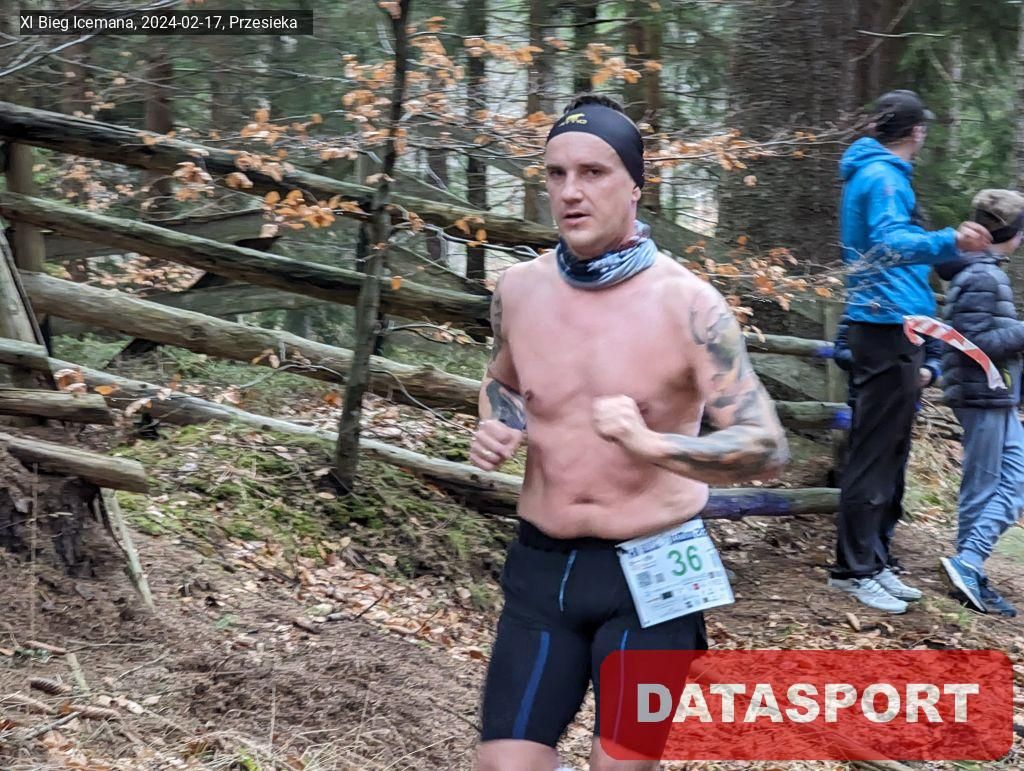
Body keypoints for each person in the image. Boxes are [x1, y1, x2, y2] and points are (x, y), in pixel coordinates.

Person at [469, 94, 789, 771]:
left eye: (594, 172)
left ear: (636, 185)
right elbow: (504, 382)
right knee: (504, 765)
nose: (571, 191)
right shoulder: (518, 290)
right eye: (556, 174)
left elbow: (766, 446)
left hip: (655, 572)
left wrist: (653, 445)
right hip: (542, 569)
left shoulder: (690, 305)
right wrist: (499, 422)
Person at [829, 89, 992, 614]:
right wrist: (951, 241)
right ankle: (853, 570)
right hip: (883, 326)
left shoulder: (880, 174)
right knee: (874, 452)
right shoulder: (882, 176)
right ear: (916, 131)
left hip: (894, 324)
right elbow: (890, 243)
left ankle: (873, 561)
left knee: (890, 451)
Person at [936, 189, 1024, 617]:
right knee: (984, 485)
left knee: (1015, 481)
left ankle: (968, 562)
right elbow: (973, 341)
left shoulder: (985, 273)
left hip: (997, 392)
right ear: (1010, 233)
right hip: (981, 392)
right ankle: (966, 566)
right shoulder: (982, 277)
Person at [832, 308, 944, 574]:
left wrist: (928, 371)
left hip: (905, 406)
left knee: (894, 485)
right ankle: (860, 562)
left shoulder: (921, 311)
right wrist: (878, 362)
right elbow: (841, 351)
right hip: (869, 404)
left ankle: (881, 554)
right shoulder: (863, 310)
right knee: (867, 482)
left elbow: (936, 353)